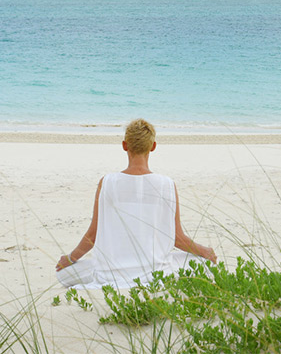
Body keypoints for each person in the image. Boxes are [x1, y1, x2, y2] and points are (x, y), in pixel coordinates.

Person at [55, 118, 216, 289]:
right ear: (153, 146)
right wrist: (204, 251)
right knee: (205, 264)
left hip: (111, 273)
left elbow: (93, 236)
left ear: (125, 145)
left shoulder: (107, 182)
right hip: (155, 272)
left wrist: (70, 258)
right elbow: (177, 238)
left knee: (62, 274)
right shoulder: (167, 184)